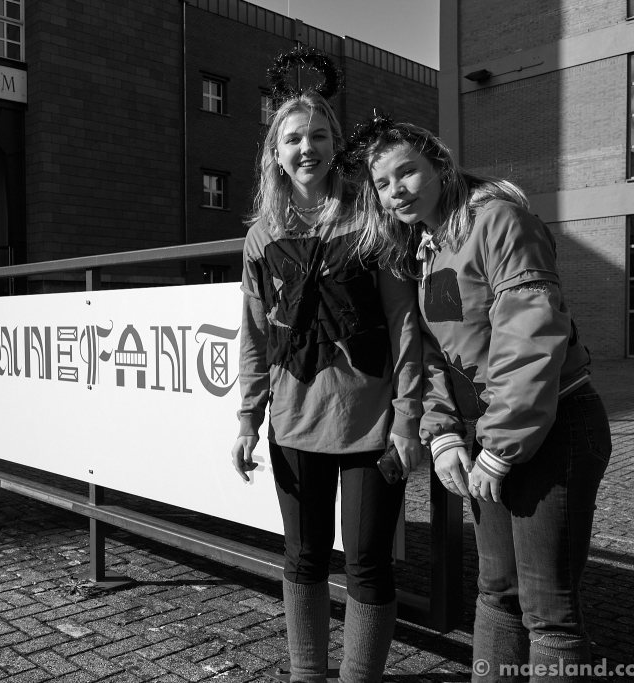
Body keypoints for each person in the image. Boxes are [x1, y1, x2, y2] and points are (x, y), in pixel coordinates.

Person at [349, 114, 612, 682]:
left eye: (406, 173)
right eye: (383, 184)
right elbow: (437, 352)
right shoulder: (427, 248)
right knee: (497, 591)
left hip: (556, 427)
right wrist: (444, 433)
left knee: (549, 612)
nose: (396, 191)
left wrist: (498, 448)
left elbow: (531, 334)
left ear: (439, 164)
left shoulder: (498, 221)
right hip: (494, 435)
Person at [231, 47, 424, 683]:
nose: (305, 148)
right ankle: (306, 675)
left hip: (373, 425)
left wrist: (408, 418)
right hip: (293, 422)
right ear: (275, 153)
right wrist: (247, 418)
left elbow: (404, 322)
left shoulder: (372, 215)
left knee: (367, 564)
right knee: (304, 559)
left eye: (317, 135)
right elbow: (255, 333)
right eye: (292, 139)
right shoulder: (262, 235)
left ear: (335, 144)